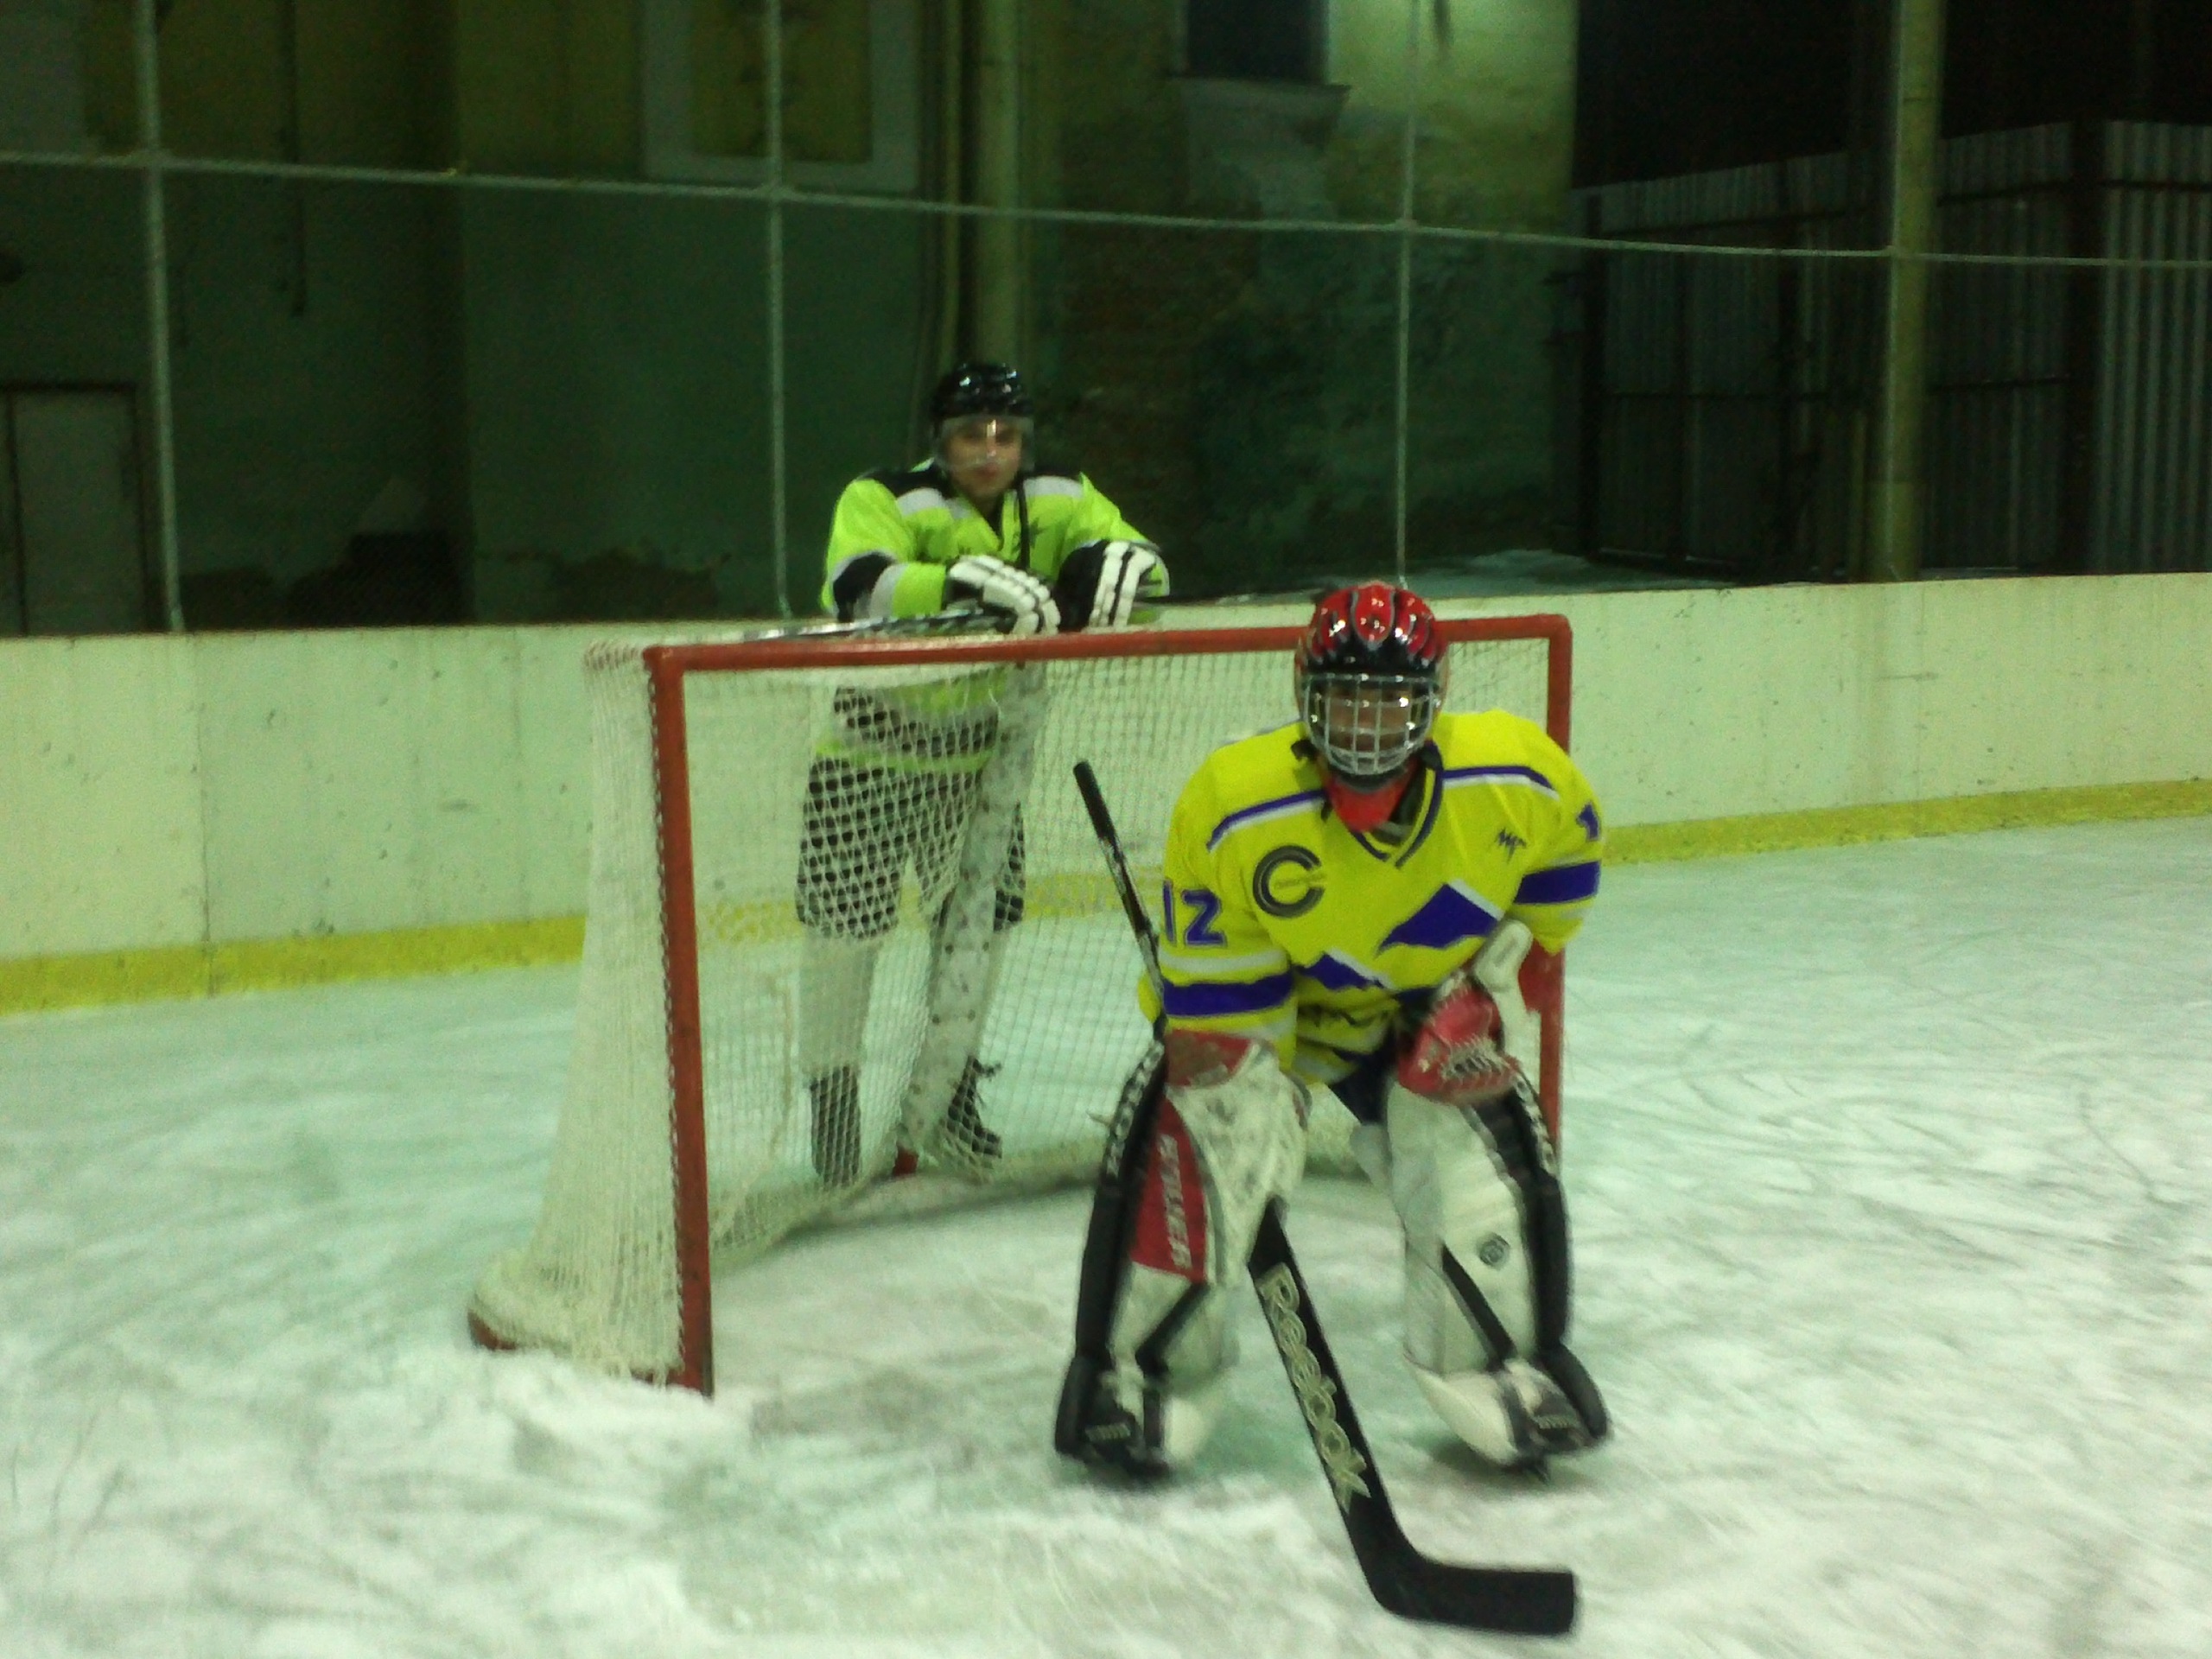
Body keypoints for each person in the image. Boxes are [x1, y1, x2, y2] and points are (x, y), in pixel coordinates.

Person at [1054, 582, 1609, 1476]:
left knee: (1471, 1138)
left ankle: (1500, 1360)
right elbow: (1226, 1010)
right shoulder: (1235, 806)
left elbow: (1569, 847)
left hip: (1413, 1013)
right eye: (1346, 701)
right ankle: (1143, 1373)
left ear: (1434, 700)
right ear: (1303, 694)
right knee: (1209, 1128)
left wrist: (1503, 976)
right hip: (1278, 1014)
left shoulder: (1514, 778)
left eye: (1389, 703)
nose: (1365, 729)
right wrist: (1254, 1119)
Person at [797, 362, 1169, 1187]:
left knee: (981, 935)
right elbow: (856, 588)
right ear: (940, 441)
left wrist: (1126, 565)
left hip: (979, 774)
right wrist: (955, 582)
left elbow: (1146, 573)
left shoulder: (1061, 496)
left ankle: (950, 1090)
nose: (991, 450)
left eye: (1006, 434)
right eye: (971, 434)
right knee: (841, 942)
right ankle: (834, 1108)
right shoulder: (885, 497)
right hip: (866, 762)